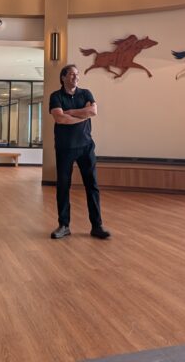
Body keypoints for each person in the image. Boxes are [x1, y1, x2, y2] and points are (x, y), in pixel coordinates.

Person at [49, 64, 110, 240]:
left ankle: (97, 226)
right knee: (63, 187)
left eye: (77, 74)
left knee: (92, 186)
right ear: (63, 77)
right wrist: (82, 115)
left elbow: (93, 111)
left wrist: (72, 113)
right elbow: (60, 118)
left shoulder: (86, 93)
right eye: (71, 74)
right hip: (64, 148)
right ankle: (64, 225)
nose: (76, 77)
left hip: (86, 147)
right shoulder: (56, 96)